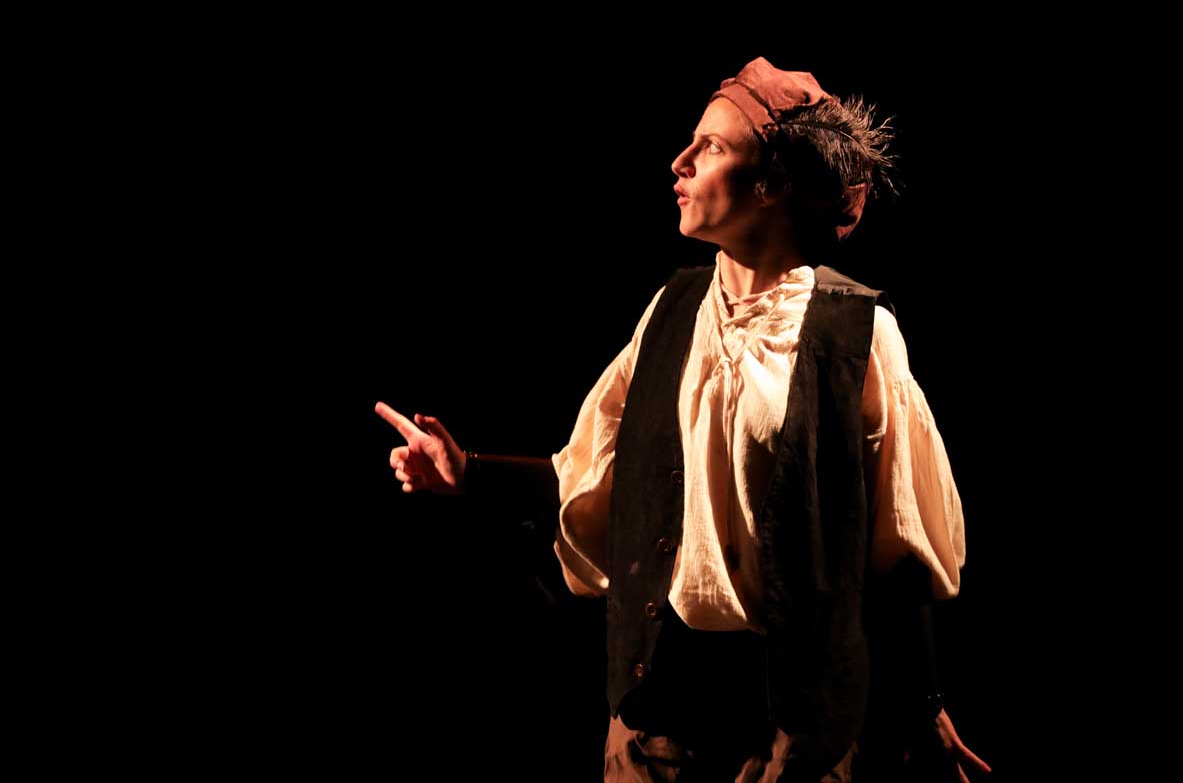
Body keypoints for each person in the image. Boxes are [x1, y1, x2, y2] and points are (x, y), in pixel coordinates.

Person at [375, 57, 992, 781]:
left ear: (771, 184)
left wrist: (922, 708)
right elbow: (602, 478)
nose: (681, 161)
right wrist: (470, 474)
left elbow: (901, 543)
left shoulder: (855, 334)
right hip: (662, 710)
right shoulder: (672, 312)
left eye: (713, 147)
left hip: (795, 723)